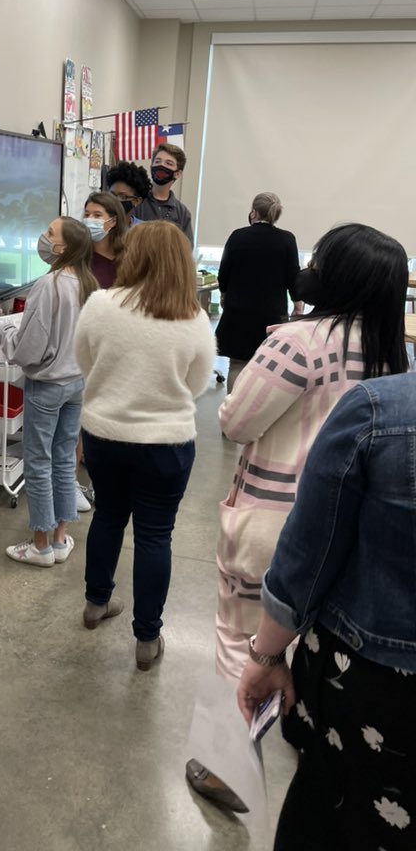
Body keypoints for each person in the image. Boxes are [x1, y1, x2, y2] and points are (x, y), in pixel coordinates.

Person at [188, 222, 408, 811]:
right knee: (302, 638)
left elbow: (234, 421)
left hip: (271, 517)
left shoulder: (300, 340)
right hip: (345, 529)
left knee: (243, 640)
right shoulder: (390, 350)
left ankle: (225, 771)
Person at [237, 372, 416, 850]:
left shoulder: (380, 411)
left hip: (374, 678)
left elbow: (308, 555)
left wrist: (267, 655)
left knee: (334, 812)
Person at [74, 222, 216, 669]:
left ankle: (96, 603)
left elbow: (85, 362)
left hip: (105, 435)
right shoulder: (193, 318)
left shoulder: (100, 304)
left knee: (108, 517)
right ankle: (147, 638)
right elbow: (197, 385)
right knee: (156, 536)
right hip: (165, 443)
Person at [0, 217, 97, 567]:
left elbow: (29, 349)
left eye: (50, 234)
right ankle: (58, 538)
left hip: (48, 385)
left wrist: (6, 335)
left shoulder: (49, 285)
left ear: (63, 248)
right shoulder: (88, 284)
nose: (43, 238)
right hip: (77, 383)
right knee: (64, 458)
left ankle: (39, 546)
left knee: (38, 463)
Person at [215, 192, 302, 393]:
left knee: (237, 365)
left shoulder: (238, 236)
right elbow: (293, 278)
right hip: (271, 314)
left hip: (238, 312)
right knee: (268, 367)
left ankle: (232, 414)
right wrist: (298, 304)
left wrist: (224, 295)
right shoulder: (287, 240)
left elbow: (223, 275)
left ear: (253, 212)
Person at [132, 142, 194, 246]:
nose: (161, 165)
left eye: (168, 163)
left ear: (177, 174)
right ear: (151, 167)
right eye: (157, 161)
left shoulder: (182, 212)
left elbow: (186, 250)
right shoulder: (136, 202)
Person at [82, 191, 127, 289]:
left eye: (97, 215)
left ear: (113, 221)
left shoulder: (128, 257)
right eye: (86, 215)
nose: (89, 219)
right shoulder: (80, 256)